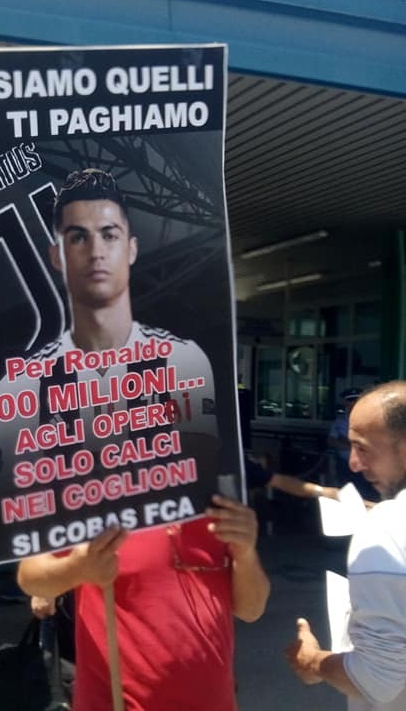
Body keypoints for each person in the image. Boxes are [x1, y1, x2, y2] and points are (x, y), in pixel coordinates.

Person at [14, 169, 269, 710]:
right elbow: (31, 575)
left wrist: (246, 554)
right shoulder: (85, 473)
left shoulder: (215, 496)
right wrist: (78, 569)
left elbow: (250, 608)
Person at [285, 381, 406, 710]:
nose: (354, 464)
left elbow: (377, 679)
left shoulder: (387, 529)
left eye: (363, 449)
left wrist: (313, 661)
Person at [328, 387, 379, 501]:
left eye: (356, 400)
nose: (354, 404)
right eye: (350, 401)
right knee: (346, 495)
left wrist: (345, 441)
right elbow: (331, 441)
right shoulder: (340, 421)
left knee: (367, 495)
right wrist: (356, 445)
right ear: (345, 403)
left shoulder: (373, 421)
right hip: (344, 464)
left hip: (366, 465)